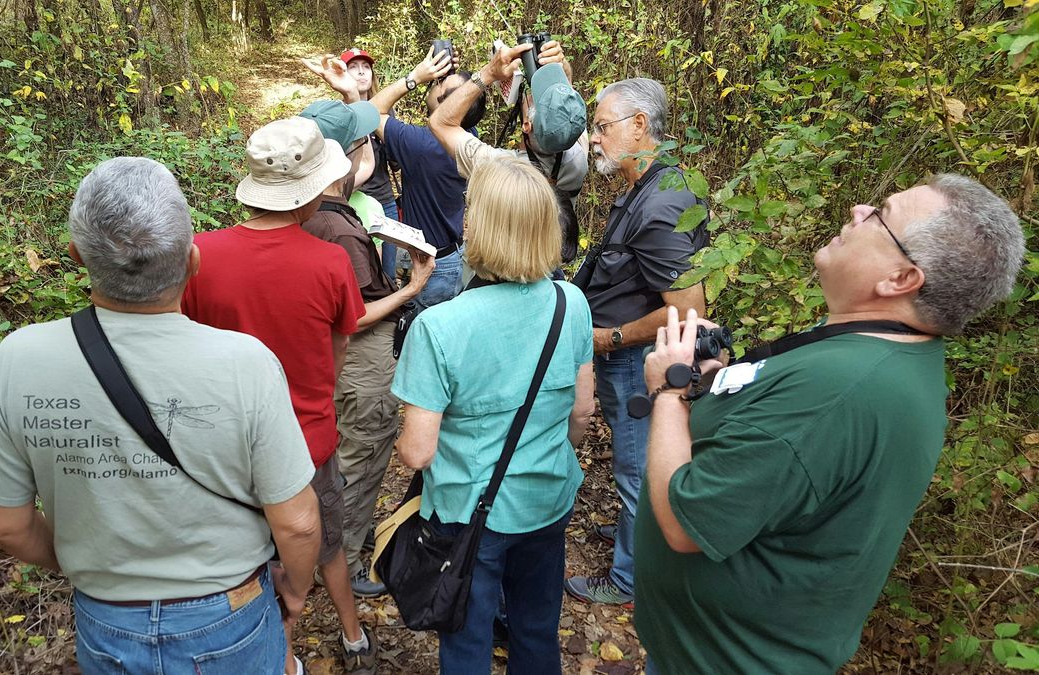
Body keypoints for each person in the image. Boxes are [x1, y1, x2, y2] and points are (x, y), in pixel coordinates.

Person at [634, 174, 1024, 673]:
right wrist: (709, 379)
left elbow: (686, 523)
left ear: (901, 279)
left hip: (724, 660)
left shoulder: (837, 391)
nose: (860, 209)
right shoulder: (878, 351)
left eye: (882, 213)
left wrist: (667, 390)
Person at [0, 157, 321, 675]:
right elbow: (295, 522)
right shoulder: (245, 363)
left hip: (105, 621)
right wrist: (294, 589)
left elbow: (4, 525)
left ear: (76, 256)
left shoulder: (18, 358)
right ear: (192, 261)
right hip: (228, 615)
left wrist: (90, 568)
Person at [180, 118, 370, 675]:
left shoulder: (199, 255)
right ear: (311, 190)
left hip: (223, 443)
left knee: (247, 553)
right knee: (325, 539)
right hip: (306, 438)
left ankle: (275, 651)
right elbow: (335, 354)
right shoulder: (330, 261)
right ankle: (352, 634)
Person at [392, 156, 596, 674]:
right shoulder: (570, 303)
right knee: (535, 628)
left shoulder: (439, 327)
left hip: (467, 513)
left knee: (466, 638)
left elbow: (418, 451)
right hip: (547, 496)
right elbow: (582, 413)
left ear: (475, 225)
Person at [563, 77, 711, 607]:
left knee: (637, 466)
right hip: (626, 356)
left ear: (640, 126)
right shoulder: (649, 187)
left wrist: (612, 337)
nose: (595, 139)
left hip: (638, 361)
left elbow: (690, 309)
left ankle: (628, 578)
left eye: (602, 127)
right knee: (635, 462)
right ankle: (635, 536)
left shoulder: (660, 205)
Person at [297, 99, 436, 604]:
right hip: (360, 364)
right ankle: (344, 557)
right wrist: (411, 287)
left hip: (338, 362)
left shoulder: (315, 214)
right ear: (348, 157)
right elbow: (352, 316)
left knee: (345, 453)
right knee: (362, 454)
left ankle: (328, 545)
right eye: (364, 145)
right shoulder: (337, 228)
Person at [310, 47, 487, 308]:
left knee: (419, 330)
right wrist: (448, 79)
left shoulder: (422, 145)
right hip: (453, 254)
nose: (435, 84)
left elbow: (371, 112)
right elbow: (459, 106)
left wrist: (414, 77)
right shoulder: (468, 136)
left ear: (448, 103)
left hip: (432, 264)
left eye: (441, 85)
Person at [429, 40, 589, 265]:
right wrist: (561, 67)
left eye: (531, 95)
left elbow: (440, 122)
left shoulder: (499, 167)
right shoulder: (579, 157)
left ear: (526, 125)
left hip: (500, 272)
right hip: (549, 264)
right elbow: (567, 110)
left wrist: (488, 73)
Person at [337, 47, 402, 273]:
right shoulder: (338, 116)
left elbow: (396, 162)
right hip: (352, 203)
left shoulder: (385, 113)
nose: (361, 72)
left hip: (385, 201)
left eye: (366, 67)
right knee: (361, 270)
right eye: (353, 68)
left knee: (388, 270)